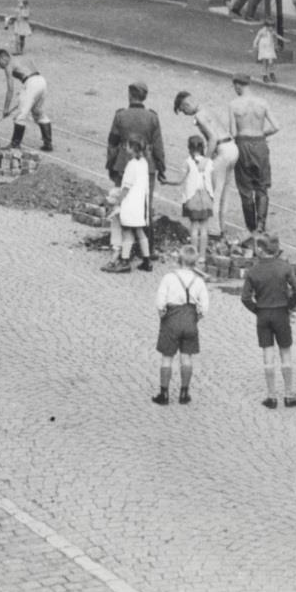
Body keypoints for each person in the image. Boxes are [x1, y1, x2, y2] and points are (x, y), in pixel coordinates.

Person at [240, 234, 296, 408]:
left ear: (260, 250)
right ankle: (289, 394)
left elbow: (245, 297)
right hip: (281, 313)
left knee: (267, 355)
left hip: (263, 315)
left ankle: (271, 396)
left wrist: (257, 310)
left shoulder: (253, 271)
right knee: (285, 353)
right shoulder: (284, 267)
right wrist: (289, 306)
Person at [152, 247, 209, 405]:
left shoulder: (169, 278)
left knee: (167, 357)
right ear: (195, 262)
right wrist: (195, 319)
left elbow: (160, 302)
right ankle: (184, 392)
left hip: (171, 319)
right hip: (190, 320)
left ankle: (164, 394)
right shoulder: (199, 281)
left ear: (179, 260)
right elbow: (204, 307)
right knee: (186, 357)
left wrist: (163, 314)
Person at [228, 74, 279, 243]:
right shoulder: (262, 103)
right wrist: (261, 134)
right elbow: (276, 126)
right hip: (260, 144)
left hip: (242, 144)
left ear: (237, 86)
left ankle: (250, 228)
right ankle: (260, 226)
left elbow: (233, 133)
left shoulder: (234, 105)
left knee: (245, 189)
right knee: (262, 187)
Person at [104, 138, 153, 273]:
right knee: (140, 231)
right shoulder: (144, 163)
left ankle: (125, 261)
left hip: (131, 202)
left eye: (127, 146)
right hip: (140, 202)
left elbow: (126, 187)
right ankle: (147, 260)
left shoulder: (131, 165)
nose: (125, 148)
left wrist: (119, 201)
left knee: (127, 232)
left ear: (133, 149)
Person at [105, 81, 166, 188]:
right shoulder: (152, 117)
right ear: (145, 97)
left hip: (123, 164)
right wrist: (161, 169)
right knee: (144, 202)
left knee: (122, 200)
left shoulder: (120, 115)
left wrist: (111, 165)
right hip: (147, 166)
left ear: (130, 95)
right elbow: (158, 147)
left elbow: (112, 144)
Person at [0, 48, 52, 153]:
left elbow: (10, 89)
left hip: (30, 83)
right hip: (42, 81)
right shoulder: (22, 57)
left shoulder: (8, 65)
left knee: (20, 116)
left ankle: (15, 145)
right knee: (38, 112)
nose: (0, 67)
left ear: (4, 57)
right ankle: (48, 143)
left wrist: (6, 109)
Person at [178, 135, 215, 258]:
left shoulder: (187, 162)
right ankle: (202, 256)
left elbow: (181, 180)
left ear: (189, 147)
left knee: (194, 228)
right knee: (204, 228)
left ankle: (193, 255)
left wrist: (168, 182)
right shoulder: (209, 162)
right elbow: (212, 180)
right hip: (206, 196)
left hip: (193, 197)